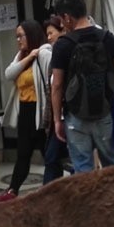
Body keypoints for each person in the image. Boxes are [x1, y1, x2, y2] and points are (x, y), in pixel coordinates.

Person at [50, 0, 114, 173]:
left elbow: (57, 86)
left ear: (67, 17)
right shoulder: (109, 39)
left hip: (75, 117)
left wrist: (57, 120)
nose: (62, 24)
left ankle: (88, 202)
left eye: (62, 20)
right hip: (104, 114)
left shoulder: (63, 45)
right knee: (111, 165)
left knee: (82, 169)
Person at [0, 20, 50, 201]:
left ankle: (54, 189)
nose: (18, 40)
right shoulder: (23, 55)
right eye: (16, 36)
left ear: (31, 35)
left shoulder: (44, 53)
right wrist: (27, 56)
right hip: (25, 111)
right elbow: (9, 74)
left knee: (49, 153)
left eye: (21, 36)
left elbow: (52, 82)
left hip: (40, 111)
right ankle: (12, 191)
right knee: (23, 153)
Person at [41, 15, 70, 184]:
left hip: (68, 116)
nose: (49, 37)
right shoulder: (54, 56)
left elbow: (58, 86)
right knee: (53, 158)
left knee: (54, 158)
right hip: (57, 118)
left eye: (51, 33)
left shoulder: (66, 52)